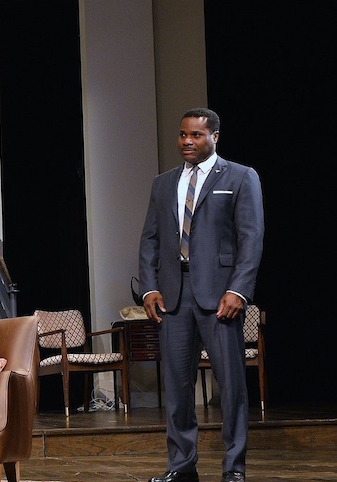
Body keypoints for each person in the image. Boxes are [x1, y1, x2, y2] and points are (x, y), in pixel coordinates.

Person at [138, 108, 264, 482]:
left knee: (231, 385)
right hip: (174, 296)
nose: (187, 141)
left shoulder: (240, 176)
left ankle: (234, 468)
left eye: (196, 135)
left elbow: (251, 238)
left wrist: (238, 290)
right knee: (177, 387)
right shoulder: (163, 183)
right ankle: (181, 466)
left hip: (220, 295)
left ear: (214, 137)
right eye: (182, 134)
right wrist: (149, 287)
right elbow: (149, 240)